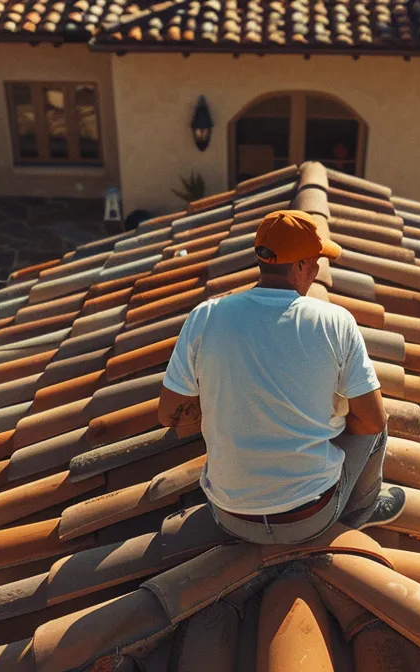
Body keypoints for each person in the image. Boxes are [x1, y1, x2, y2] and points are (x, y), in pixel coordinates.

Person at [157, 209, 394, 544]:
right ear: (298, 266)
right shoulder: (335, 321)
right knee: (380, 425)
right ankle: (358, 515)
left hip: (229, 516)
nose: (316, 270)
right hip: (310, 517)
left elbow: (169, 413)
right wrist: (330, 428)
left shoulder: (206, 316)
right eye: (314, 261)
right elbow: (372, 421)